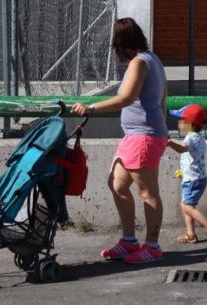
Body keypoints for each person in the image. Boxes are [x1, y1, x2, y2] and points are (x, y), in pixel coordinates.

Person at [70, 18, 168, 264]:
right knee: (117, 184)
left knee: (148, 192)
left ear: (123, 45)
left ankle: (153, 246)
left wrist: (90, 108)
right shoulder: (152, 58)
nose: (116, 54)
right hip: (138, 135)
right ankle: (128, 241)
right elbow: (164, 97)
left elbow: (125, 98)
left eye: (116, 48)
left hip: (143, 136)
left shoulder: (139, 63)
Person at [166, 104, 207, 246]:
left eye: (180, 120)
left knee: (186, 207)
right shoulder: (199, 138)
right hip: (197, 178)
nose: (178, 123)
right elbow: (193, 157)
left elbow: (182, 149)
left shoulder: (190, 138)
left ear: (189, 123)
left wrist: (168, 142)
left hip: (193, 180)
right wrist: (184, 171)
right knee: (186, 205)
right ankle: (191, 234)